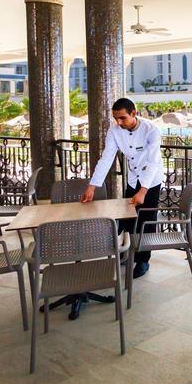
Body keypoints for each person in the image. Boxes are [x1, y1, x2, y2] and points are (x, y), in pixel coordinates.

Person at [81, 98, 164, 279]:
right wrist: (92, 186)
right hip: (133, 179)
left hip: (151, 181)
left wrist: (143, 191)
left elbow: (152, 162)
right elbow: (106, 158)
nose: (119, 122)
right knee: (127, 219)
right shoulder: (115, 130)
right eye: (116, 118)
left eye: (122, 118)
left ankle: (143, 260)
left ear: (134, 113)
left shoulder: (151, 130)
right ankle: (128, 252)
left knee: (146, 222)